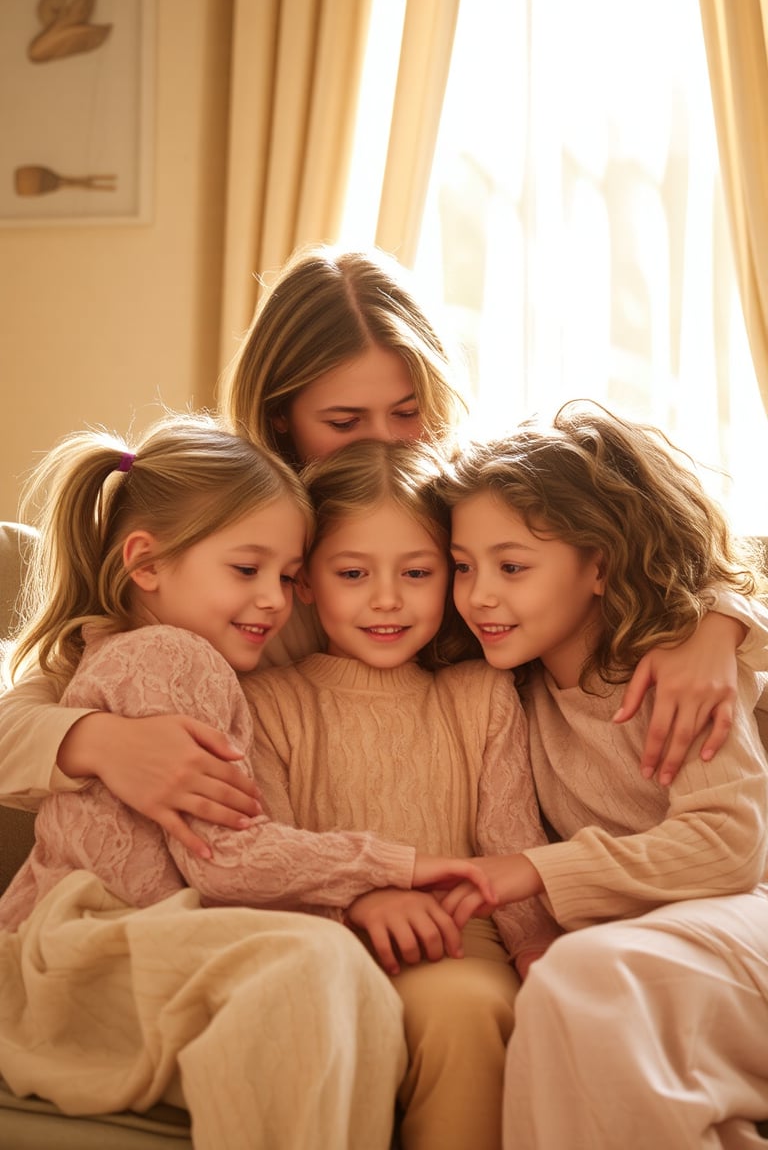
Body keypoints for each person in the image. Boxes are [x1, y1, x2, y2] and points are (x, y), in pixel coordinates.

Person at [0, 244, 758, 856]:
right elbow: (25, 713)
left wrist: (716, 625)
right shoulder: (225, 553)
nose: (385, 443)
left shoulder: (468, 521)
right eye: (344, 421)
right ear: (281, 420)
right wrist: (97, 741)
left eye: (407, 413)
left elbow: (634, 554)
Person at [0, 412, 495, 1150]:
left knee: (327, 966)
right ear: (146, 563)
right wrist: (395, 867)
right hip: (93, 942)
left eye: (290, 577)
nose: (274, 599)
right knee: (316, 966)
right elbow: (230, 858)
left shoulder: (201, 650)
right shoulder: (173, 656)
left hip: (149, 929)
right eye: (248, 572)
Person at [437, 400, 768, 1149]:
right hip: (657, 943)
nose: (479, 593)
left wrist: (531, 870)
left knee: (587, 976)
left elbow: (730, 847)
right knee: (571, 992)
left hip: (749, 915)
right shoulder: (512, 692)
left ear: (599, 565)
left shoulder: (669, 673)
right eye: (463, 566)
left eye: (513, 566)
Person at [239, 437, 560, 1150]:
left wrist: (540, 945)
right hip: (318, 937)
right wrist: (361, 894)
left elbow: (514, 844)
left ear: (450, 577)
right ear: (304, 583)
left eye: (417, 572)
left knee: (466, 1009)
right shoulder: (268, 701)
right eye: (352, 572)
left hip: (456, 942)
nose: (387, 598)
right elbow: (264, 849)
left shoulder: (480, 696)